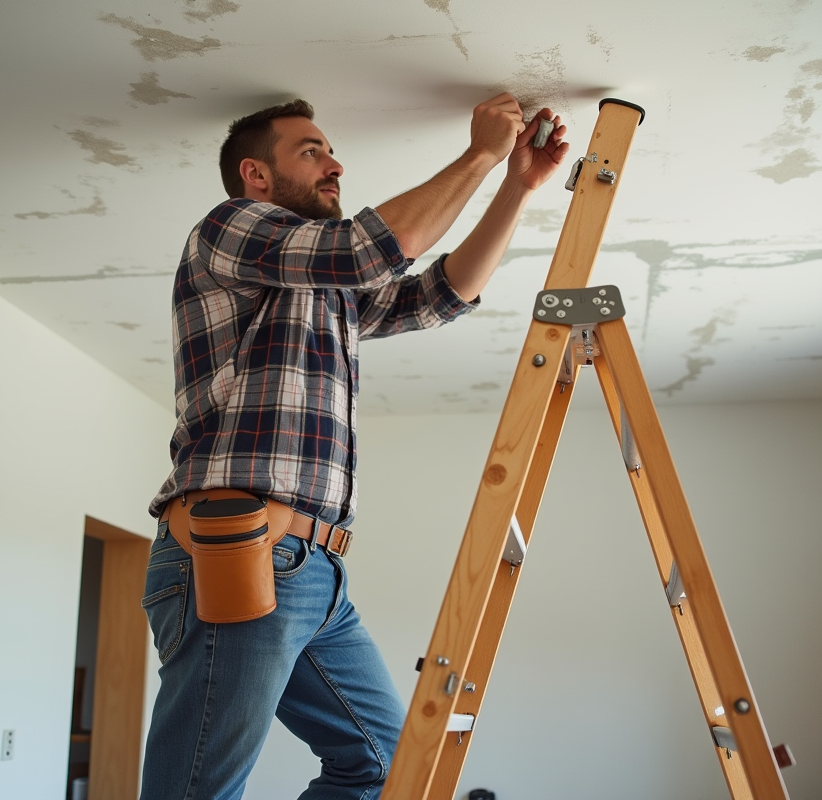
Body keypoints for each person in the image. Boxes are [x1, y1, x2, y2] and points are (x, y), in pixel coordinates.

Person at [141, 92, 569, 800]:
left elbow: (439, 293)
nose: (335, 163)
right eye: (311, 151)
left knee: (384, 768)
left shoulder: (325, 289)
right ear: (254, 173)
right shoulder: (228, 228)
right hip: (242, 547)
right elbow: (370, 246)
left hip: (315, 570)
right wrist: (480, 153)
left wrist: (515, 186)